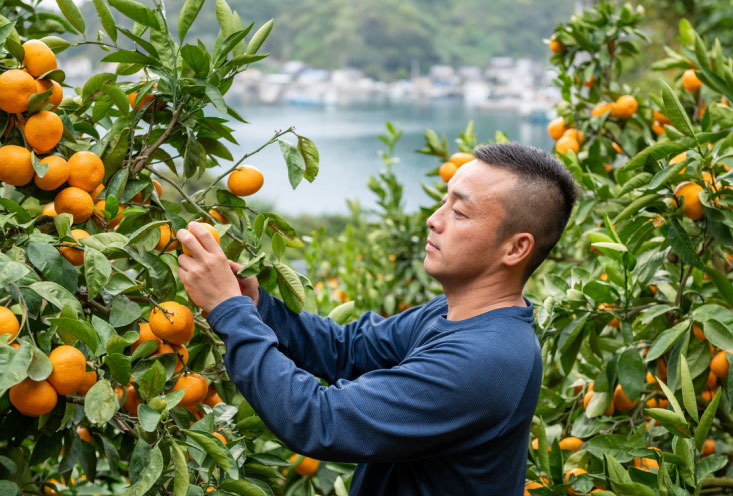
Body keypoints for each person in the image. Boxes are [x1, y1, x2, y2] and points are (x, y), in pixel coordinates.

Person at [176, 142, 578, 495]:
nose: (434, 219)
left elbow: (320, 420)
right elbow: (345, 348)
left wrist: (230, 311)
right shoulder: (453, 313)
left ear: (516, 248)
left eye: (459, 212)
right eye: (443, 201)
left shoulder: (484, 361)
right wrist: (258, 304)